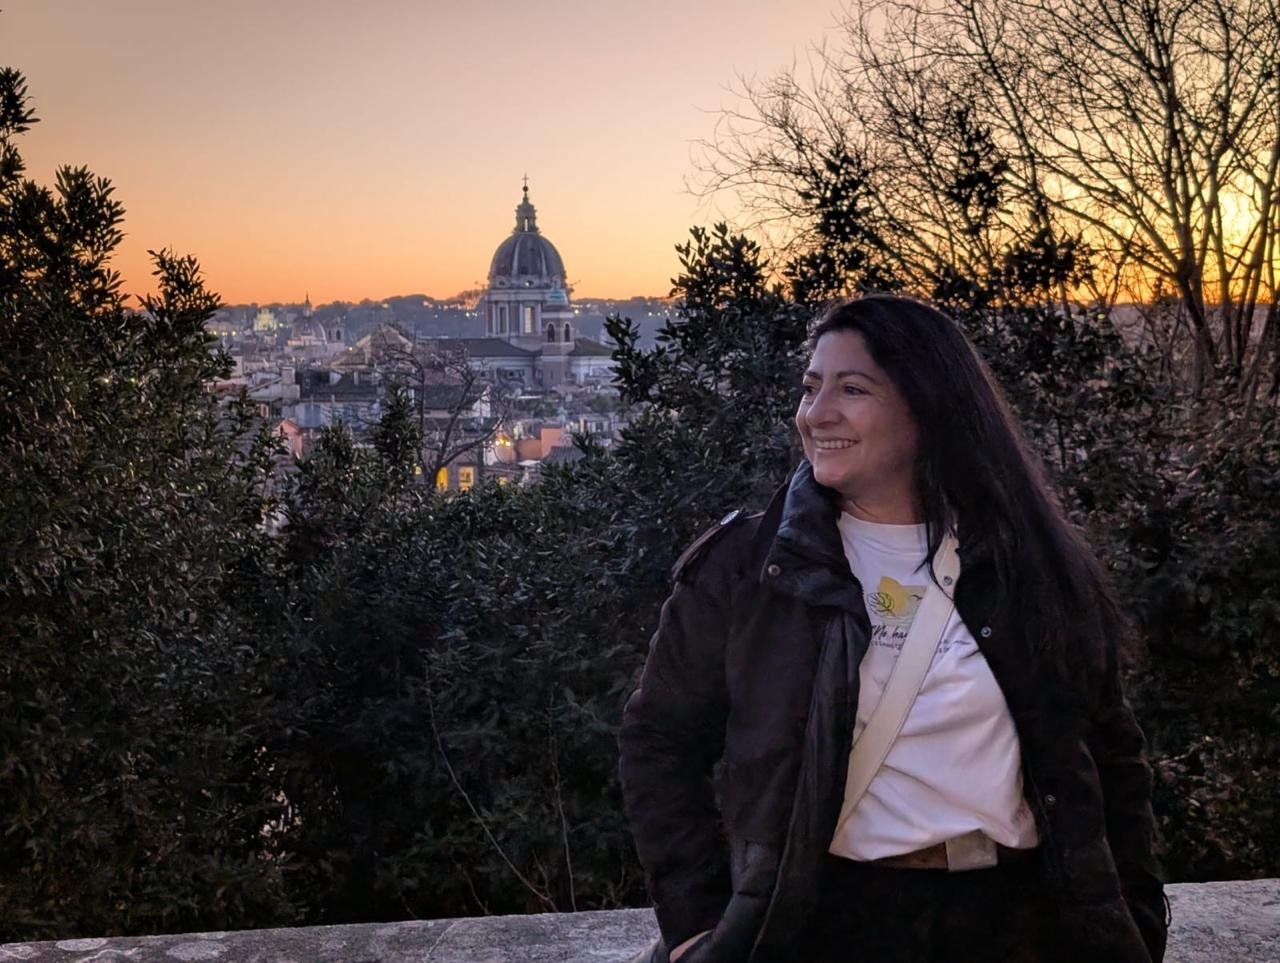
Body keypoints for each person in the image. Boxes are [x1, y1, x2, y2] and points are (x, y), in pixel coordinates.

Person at [618, 295, 1168, 963]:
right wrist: (696, 924)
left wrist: (1135, 912)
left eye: (853, 389)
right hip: (828, 923)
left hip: (1020, 920)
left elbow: (1108, 749)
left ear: (927, 407)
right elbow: (659, 742)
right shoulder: (748, 569)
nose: (817, 413)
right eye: (811, 387)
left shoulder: (1027, 563)